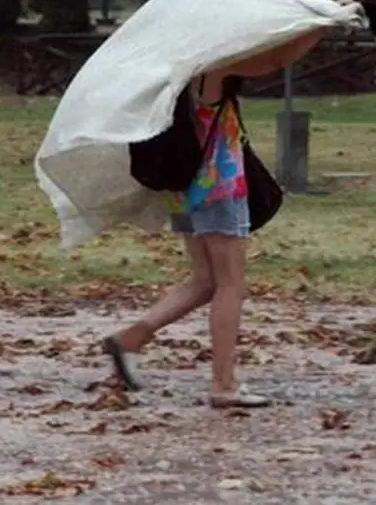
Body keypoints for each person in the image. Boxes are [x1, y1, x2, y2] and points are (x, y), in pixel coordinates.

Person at [100, 26, 333, 408]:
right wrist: (323, 25)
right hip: (217, 185)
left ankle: (130, 339)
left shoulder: (170, 72)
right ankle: (223, 384)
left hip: (181, 189)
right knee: (230, 285)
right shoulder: (211, 70)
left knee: (206, 281)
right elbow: (276, 60)